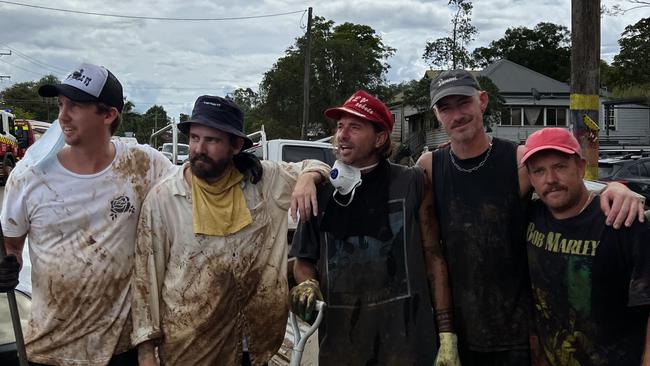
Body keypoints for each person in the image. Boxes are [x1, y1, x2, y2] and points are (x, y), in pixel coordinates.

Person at [417, 69, 646, 365]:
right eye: (445, 108)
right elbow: (431, 250)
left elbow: (568, 183)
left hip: (521, 331)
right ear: (436, 114)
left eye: (463, 103)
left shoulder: (520, 160)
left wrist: (617, 187)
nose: (457, 115)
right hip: (462, 326)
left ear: (482, 101)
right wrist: (445, 332)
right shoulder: (430, 167)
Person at [129, 95, 331, 366]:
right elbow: (146, 278)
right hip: (191, 349)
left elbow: (319, 166)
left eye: (211, 140)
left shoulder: (262, 182)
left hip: (257, 344)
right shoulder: (165, 198)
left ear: (236, 146)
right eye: (194, 138)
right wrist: (145, 352)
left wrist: (308, 178)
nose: (199, 148)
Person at [0, 63, 176, 366]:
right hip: (50, 347)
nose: (62, 116)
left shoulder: (142, 165)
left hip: (120, 349)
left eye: (76, 106)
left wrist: (253, 168)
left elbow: (193, 185)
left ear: (108, 115)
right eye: (61, 104)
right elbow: (11, 247)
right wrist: (7, 266)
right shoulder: (29, 176)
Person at [290, 90, 458, 366]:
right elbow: (303, 259)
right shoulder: (320, 193)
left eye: (355, 127)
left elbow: (433, 256)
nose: (342, 135)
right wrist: (306, 283)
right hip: (342, 349)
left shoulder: (412, 183)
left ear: (380, 139)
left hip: (407, 346)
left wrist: (447, 333)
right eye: (340, 126)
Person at [521, 127, 650, 366]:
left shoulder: (621, 220)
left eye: (560, 166)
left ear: (580, 167)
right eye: (539, 171)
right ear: (530, 179)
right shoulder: (530, 216)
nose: (550, 179)